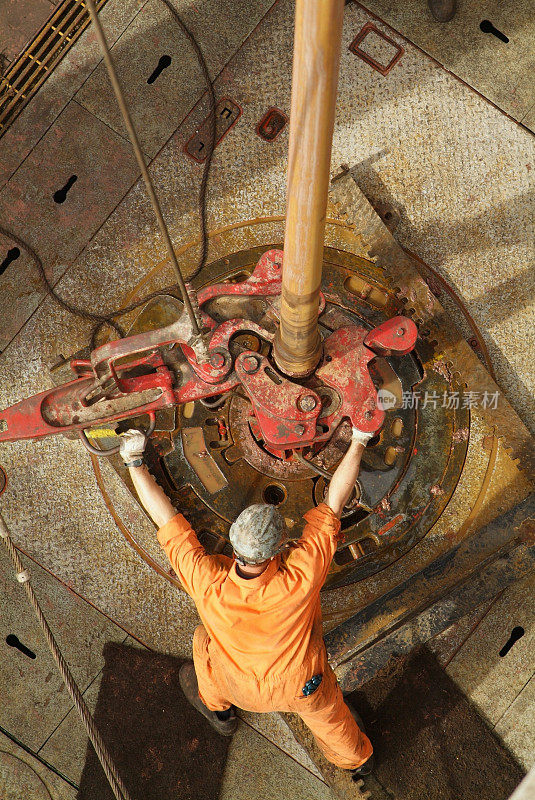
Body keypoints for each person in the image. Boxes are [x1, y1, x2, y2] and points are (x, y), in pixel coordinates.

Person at [119, 424, 375, 779]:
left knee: (203, 644)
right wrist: (360, 439)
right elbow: (334, 503)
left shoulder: (206, 582)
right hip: (301, 686)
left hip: (236, 685)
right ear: (280, 548)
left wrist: (134, 462)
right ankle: (359, 760)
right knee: (329, 716)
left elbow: (167, 521)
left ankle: (220, 714)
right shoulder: (299, 580)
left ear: (234, 541)